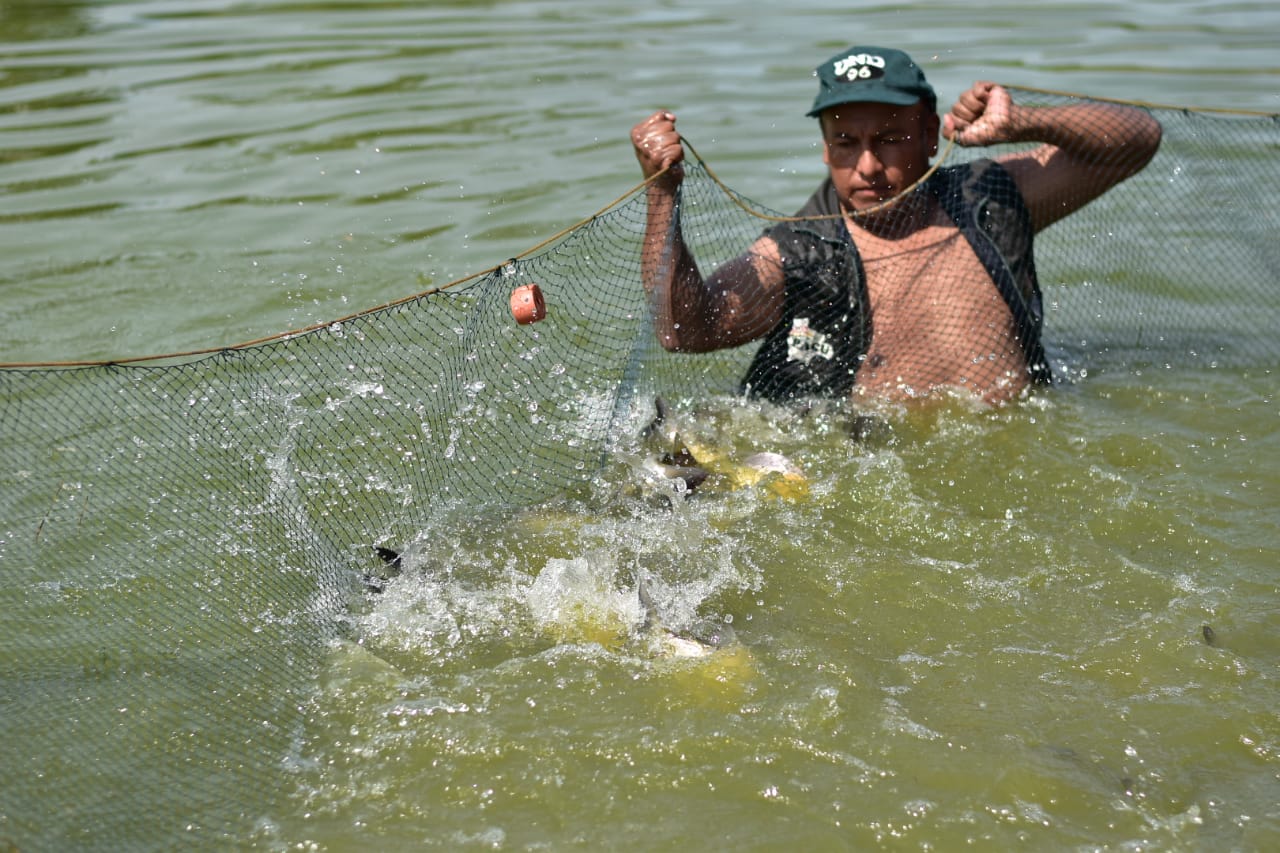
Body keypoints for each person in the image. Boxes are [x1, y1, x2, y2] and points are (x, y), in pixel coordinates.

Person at [631, 46, 1162, 406]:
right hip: (866, 477)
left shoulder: (989, 197)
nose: (866, 166)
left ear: (930, 134)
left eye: (888, 139)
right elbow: (683, 330)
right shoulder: (800, 251)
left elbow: (1139, 139)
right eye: (845, 143)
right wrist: (662, 192)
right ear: (824, 147)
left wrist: (1026, 122)